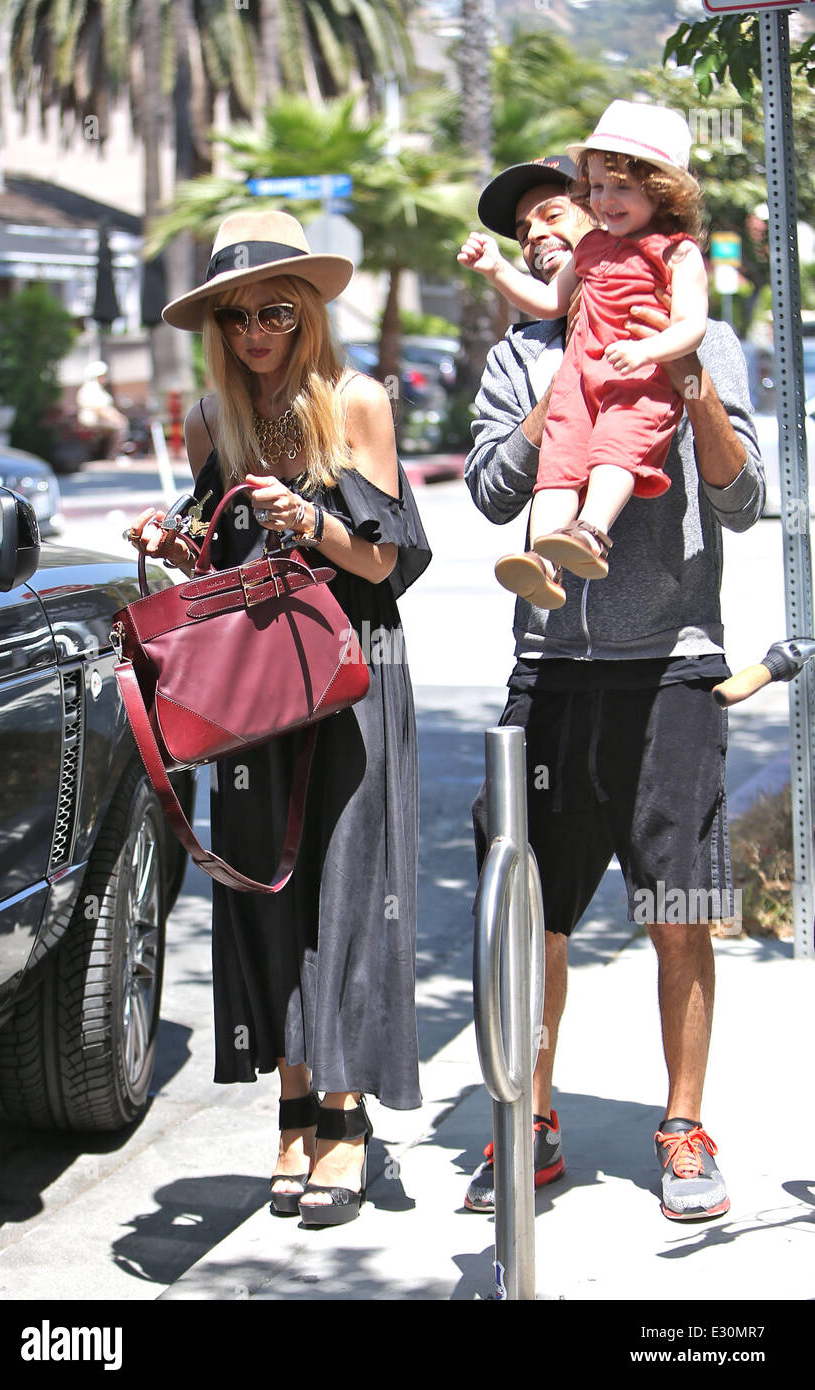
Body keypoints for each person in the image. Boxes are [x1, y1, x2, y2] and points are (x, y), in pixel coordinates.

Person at [462, 148, 764, 1222]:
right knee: (530, 912)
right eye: (535, 225)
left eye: (565, 207)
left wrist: (698, 396)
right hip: (547, 668)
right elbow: (492, 495)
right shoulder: (515, 354)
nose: (553, 227)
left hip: (672, 660)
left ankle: (682, 1127)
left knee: (678, 908)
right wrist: (557, 393)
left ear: (609, 214)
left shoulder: (698, 324)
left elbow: (741, 503)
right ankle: (531, 1120)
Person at [125, 210, 431, 1228]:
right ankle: (292, 1105)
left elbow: (384, 563)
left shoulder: (356, 401)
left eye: (275, 311)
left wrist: (318, 521)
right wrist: (171, 546)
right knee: (267, 893)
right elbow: (219, 570)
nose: (256, 332)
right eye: (236, 315)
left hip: (349, 672)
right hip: (253, 686)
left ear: (307, 311)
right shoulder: (212, 418)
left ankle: (345, 1119)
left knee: (348, 891)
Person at [458, 103, 709, 610]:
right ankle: (541, 561)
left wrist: (648, 350)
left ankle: (591, 531)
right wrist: (496, 270)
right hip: (577, 380)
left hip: (635, 384)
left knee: (617, 448)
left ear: (661, 190)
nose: (605, 198)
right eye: (596, 187)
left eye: (618, 187)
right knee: (558, 466)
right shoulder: (590, 252)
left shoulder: (677, 253)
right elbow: (548, 300)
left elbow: (691, 325)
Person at [75, 360, 128, 459]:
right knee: (121, 426)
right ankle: (111, 455)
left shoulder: (96, 388)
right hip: (93, 420)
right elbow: (100, 408)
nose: (105, 379)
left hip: (98, 420)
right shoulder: (92, 388)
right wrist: (116, 418)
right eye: (102, 376)